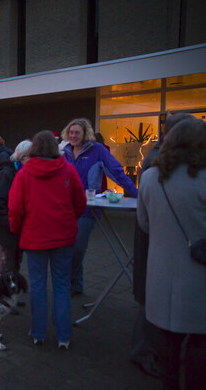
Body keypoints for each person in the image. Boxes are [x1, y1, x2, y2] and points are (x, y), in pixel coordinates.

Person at [136, 116, 206, 390]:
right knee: (200, 341)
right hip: (199, 275)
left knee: (167, 342)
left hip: (161, 275)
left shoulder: (151, 177)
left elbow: (144, 223)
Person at [8, 131, 86, 350]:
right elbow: (80, 202)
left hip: (34, 237)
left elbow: (14, 208)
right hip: (63, 236)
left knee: (38, 285)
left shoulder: (24, 174)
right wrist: (69, 221)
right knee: (62, 286)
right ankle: (63, 336)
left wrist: (17, 230)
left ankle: (39, 333)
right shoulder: (68, 170)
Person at [130, 113, 184, 378]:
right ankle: (144, 351)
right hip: (156, 245)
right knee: (149, 300)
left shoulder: (167, 160)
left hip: (159, 245)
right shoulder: (156, 163)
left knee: (151, 298)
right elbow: (147, 217)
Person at [61, 118, 138, 295]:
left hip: (87, 208)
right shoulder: (64, 151)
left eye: (77, 132)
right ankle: (75, 285)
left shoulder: (97, 150)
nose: (73, 136)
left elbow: (117, 172)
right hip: (65, 208)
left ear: (85, 133)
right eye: (71, 132)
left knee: (78, 248)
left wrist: (137, 194)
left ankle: (71, 282)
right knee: (67, 247)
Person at [0, 139, 31, 275]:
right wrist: (12, 223)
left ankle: (11, 289)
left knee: (15, 262)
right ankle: (4, 291)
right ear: (22, 157)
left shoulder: (22, 172)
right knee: (8, 266)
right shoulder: (7, 173)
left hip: (17, 229)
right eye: (31, 157)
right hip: (9, 230)